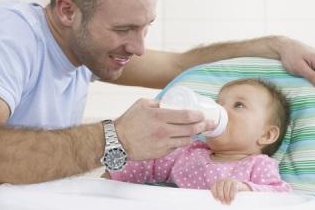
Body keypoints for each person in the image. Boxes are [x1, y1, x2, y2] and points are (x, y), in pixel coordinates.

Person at [0, 0, 315, 209]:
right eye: (124, 29)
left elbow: (179, 66)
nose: (139, 47)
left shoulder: (84, 49)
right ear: (67, 12)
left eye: (145, 27)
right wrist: (115, 138)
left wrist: (274, 45)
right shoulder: (9, 39)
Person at [103, 78, 292, 205]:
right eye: (219, 103)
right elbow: (149, 165)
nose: (222, 110)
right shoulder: (188, 151)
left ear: (266, 135)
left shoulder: (258, 165)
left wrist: (245, 189)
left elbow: (281, 197)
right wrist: (111, 176)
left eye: (239, 105)